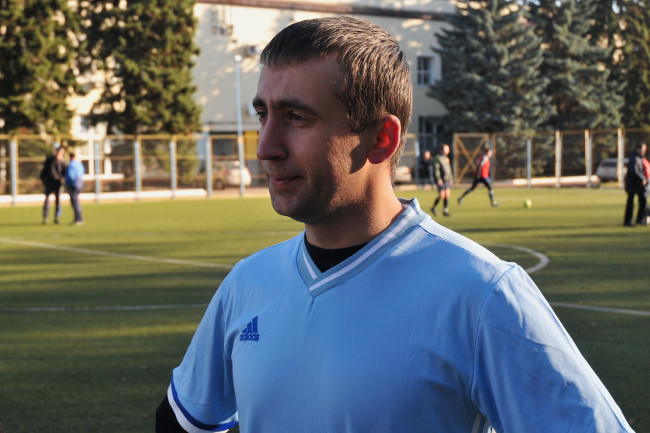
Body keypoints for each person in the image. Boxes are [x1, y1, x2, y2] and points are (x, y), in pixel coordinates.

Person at [156, 16, 634, 433]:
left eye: (296, 118)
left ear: (381, 139)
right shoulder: (246, 284)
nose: (265, 146)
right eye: (264, 115)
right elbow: (183, 421)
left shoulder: (481, 293)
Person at [39, 145, 67, 224]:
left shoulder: (63, 161)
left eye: (61, 151)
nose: (59, 153)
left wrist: (64, 181)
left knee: (58, 201)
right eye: (59, 151)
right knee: (47, 200)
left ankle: (57, 218)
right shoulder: (50, 159)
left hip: (58, 183)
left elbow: (65, 172)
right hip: (49, 182)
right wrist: (43, 180)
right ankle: (45, 217)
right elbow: (44, 170)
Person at [623, 142, 648, 227]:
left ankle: (639, 219)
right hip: (632, 184)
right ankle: (627, 221)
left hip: (638, 184)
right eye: (643, 149)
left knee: (643, 201)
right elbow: (634, 171)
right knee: (631, 203)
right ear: (638, 149)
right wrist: (643, 178)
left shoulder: (639, 158)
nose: (644, 151)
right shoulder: (634, 158)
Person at [431, 143, 453, 216]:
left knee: (447, 194)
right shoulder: (437, 157)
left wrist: (450, 178)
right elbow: (436, 169)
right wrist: (438, 179)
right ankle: (433, 208)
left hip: (447, 179)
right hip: (441, 179)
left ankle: (445, 211)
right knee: (441, 195)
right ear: (442, 150)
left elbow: (448, 169)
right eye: (446, 149)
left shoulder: (446, 158)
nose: (448, 150)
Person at [65, 152, 84, 225]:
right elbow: (82, 172)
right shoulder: (79, 164)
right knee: (76, 202)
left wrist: (69, 183)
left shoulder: (71, 164)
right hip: (79, 185)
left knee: (75, 202)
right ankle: (78, 218)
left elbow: (71, 175)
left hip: (73, 185)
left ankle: (78, 219)